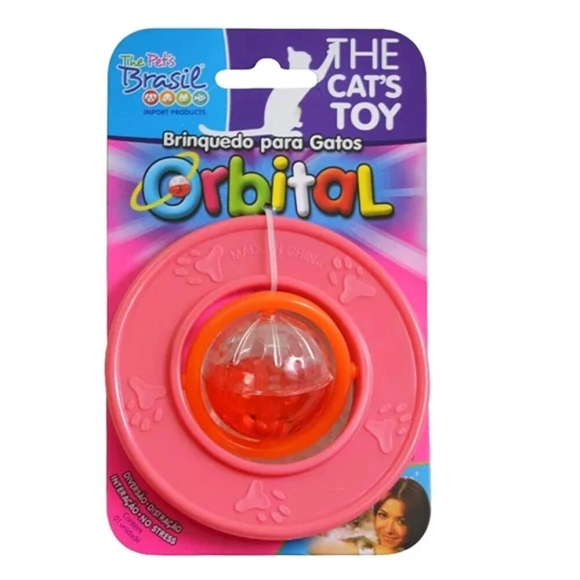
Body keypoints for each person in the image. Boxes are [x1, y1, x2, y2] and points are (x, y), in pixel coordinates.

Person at [308, 478, 430, 555]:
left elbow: (312, 546)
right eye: (383, 515)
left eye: (401, 521)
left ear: (416, 524)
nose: (389, 529)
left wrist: (371, 549)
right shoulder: (368, 523)